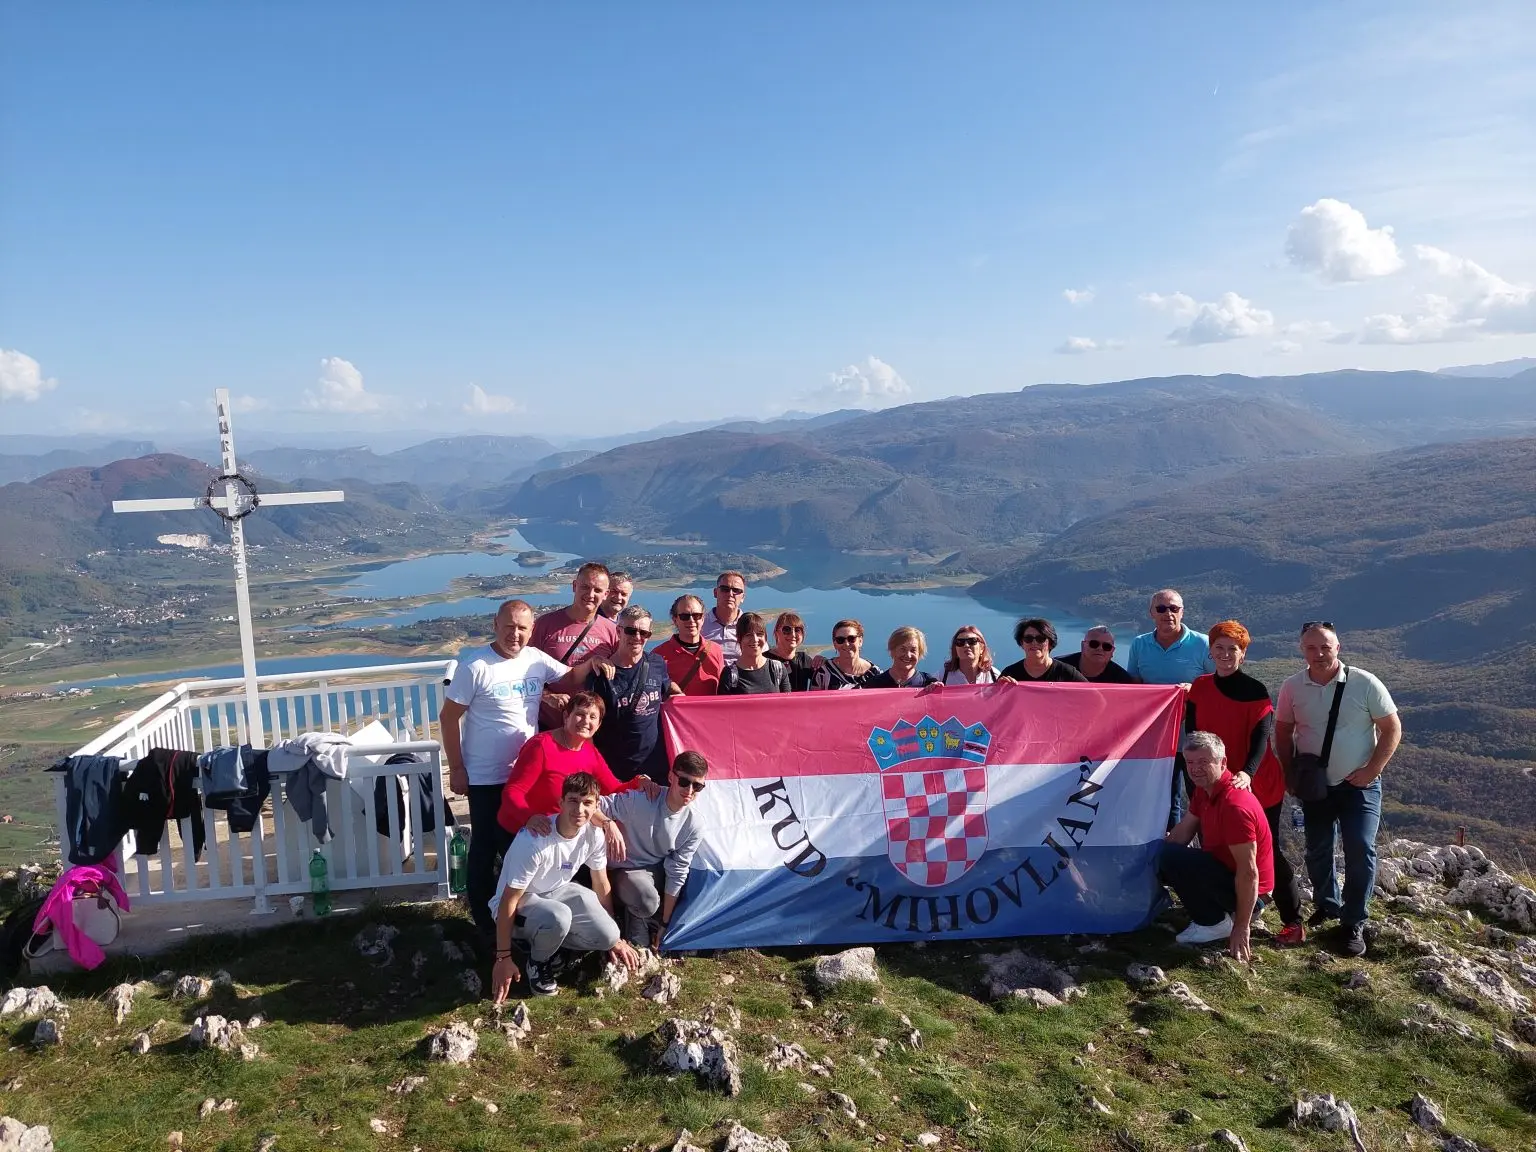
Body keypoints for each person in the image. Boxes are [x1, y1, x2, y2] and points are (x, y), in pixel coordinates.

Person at [439, 599, 601, 937]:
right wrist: (456, 768)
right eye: (510, 626)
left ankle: (518, 921)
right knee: (484, 847)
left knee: (519, 848)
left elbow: (570, 676)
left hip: (526, 776)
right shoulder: (476, 666)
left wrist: (596, 662)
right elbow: (448, 717)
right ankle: (485, 924)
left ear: (532, 630)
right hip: (486, 776)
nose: (516, 634)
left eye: (523, 628)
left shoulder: (535, 660)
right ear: (495, 624)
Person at [1275, 622, 1401, 958]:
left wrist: (1372, 770)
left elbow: (1391, 728)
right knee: (1317, 849)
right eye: (1311, 648)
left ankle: (1353, 921)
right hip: (1315, 785)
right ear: (1302, 650)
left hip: (1358, 786)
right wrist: (1289, 774)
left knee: (1360, 848)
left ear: (1338, 648)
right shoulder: (1292, 687)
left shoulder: (1364, 682)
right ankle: (1327, 905)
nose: (1318, 654)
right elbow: (1284, 732)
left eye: (1325, 647)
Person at [1186, 621, 1305, 946]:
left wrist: (1247, 774)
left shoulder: (1254, 691)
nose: (1225, 655)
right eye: (1220, 648)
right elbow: (1193, 735)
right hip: (1214, 784)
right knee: (1218, 847)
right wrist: (1195, 780)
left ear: (1243, 654)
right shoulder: (1200, 687)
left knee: (1267, 851)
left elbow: (1261, 738)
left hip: (1256, 785)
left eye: (1233, 649)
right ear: (1210, 651)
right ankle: (1234, 909)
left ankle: (1292, 921)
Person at [490, 772, 641, 1000]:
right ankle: (537, 963)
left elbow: (600, 882)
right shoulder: (534, 840)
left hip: (557, 891)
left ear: (597, 805)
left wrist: (615, 939)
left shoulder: (594, 835)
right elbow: (509, 899)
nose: (579, 810)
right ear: (561, 803)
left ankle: (552, 945)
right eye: (573, 801)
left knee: (608, 934)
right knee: (559, 916)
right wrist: (503, 957)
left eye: (587, 803)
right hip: (519, 901)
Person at [1159, 731, 1274, 961]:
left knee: (1172, 858)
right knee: (1164, 855)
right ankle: (1216, 913)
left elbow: (1249, 872)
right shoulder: (1205, 790)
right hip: (1224, 871)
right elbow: (1182, 833)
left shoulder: (1234, 807)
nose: (1195, 769)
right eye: (1190, 762)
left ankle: (1214, 923)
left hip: (1253, 893)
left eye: (1203, 762)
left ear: (1223, 763)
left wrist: (1242, 927)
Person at [497, 692, 652, 840]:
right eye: (580, 714)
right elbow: (513, 791)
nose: (586, 721)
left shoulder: (590, 752)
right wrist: (529, 817)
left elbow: (613, 789)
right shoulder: (541, 746)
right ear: (566, 716)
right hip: (525, 832)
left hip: (560, 833)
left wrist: (640, 781)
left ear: (598, 725)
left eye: (593, 717)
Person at [602, 750, 708, 949]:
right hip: (622, 870)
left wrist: (665, 923)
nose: (690, 790)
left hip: (654, 872)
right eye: (684, 782)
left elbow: (678, 870)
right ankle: (635, 918)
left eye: (698, 786)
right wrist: (608, 824)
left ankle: (649, 920)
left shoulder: (695, 823)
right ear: (671, 777)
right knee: (647, 900)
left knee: (691, 883)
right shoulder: (643, 799)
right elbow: (594, 806)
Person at [588, 605, 676, 784]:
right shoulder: (601, 675)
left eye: (644, 633)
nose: (637, 638)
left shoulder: (656, 663)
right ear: (619, 632)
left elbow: (667, 689)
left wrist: (685, 700)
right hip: (615, 771)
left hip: (655, 768)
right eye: (631, 631)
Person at [530, 562, 621, 727]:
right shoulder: (545, 625)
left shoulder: (612, 631)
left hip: (589, 729)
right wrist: (547, 696)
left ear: (606, 594)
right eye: (585, 587)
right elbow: (522, 673)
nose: (590, 594)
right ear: (574, 586)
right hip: (547, 724)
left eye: (598, 590)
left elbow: (620, 678)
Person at [1125, 589, 1214, 685]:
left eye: (1174, 608)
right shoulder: (1139, 644)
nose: (1168, 613)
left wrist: (1193, 689)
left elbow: (1216, 683)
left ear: (1182, 612)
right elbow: (1133, 685)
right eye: (1161, 609)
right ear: (1151, 613)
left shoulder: (1204, 643)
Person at [654, 595, 726, 697]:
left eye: (697, 615)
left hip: (710, 712)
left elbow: (722, 691)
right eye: (684, 616)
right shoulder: (658, 655)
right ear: (675, 620)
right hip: (677, 713)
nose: (691, 620)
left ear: (703, 619)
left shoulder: (715, 650)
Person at [718, 612, 791, 694]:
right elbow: (724, 706)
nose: (755, 639)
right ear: (739, 639)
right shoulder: (729, 674)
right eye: (748, 635)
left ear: (765, 637)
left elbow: (787, 704)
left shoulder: (777, 669)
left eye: (760, 634)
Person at [999, 618, 1088, 683]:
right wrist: (1000, 688)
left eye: (1040, 639)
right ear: (1022, 643)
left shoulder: (1067, 673)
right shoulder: (1010, 673)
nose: (1034, 642)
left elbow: (1094, 697)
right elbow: (994, 703)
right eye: (1028, 638)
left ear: (1050, 643)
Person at [812, 619, 883, 690]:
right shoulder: (823, 673)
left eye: (851, 638)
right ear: (835, 644)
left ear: (860, 641)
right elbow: (814, 699)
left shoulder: (875, 673)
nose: (846, 644)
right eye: (840, 640)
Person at [1059, 626, 1135, 684]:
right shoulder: (1059, 668)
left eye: (1107, 646)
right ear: (1083, 646)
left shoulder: (1122, 680)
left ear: (1112, 652)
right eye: (1094, 644)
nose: (1100, 648)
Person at [869, 627, 938, 688]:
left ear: (919, 653)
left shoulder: (929, 683)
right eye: (902, 649)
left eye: (913, 650)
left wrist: (936, 690)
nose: (908, 655)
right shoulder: (874, 684)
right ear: (892, 651)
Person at [702, 570, 747, 665]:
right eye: (724, 589)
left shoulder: (750, 626)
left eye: (736, 590)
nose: (730, 594)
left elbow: (762, 660)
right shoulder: (699, 624)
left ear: (743, 597)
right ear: (715, 592)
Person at [941, 626, 1008, 685]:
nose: (966, 645)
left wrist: (1007, 686)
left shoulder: (994, 675)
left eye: (972, 641)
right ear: (955, 649)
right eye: (960, 642)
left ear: (982, 648)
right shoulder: (943, 676)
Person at [768, 611, 817, 691]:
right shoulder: (765, 659)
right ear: (777, 633)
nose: (793, 634)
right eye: (787, 630)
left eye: (798, 630)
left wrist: (822, 660)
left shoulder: (804, 659)